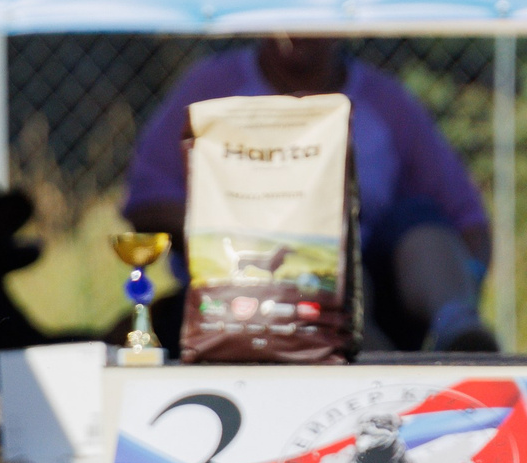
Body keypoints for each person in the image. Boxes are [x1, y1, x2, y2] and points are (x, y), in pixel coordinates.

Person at [125, 36, 497, 354]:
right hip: (252, 292)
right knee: (335, 268)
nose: (297, 33)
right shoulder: (211, 87)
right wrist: (238, 227)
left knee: (418, 220)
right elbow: (147, 201)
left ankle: (457, 325)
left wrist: (469, 276)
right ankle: (370, 355)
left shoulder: (387, 101)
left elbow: (467, 219)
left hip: (381, 286)